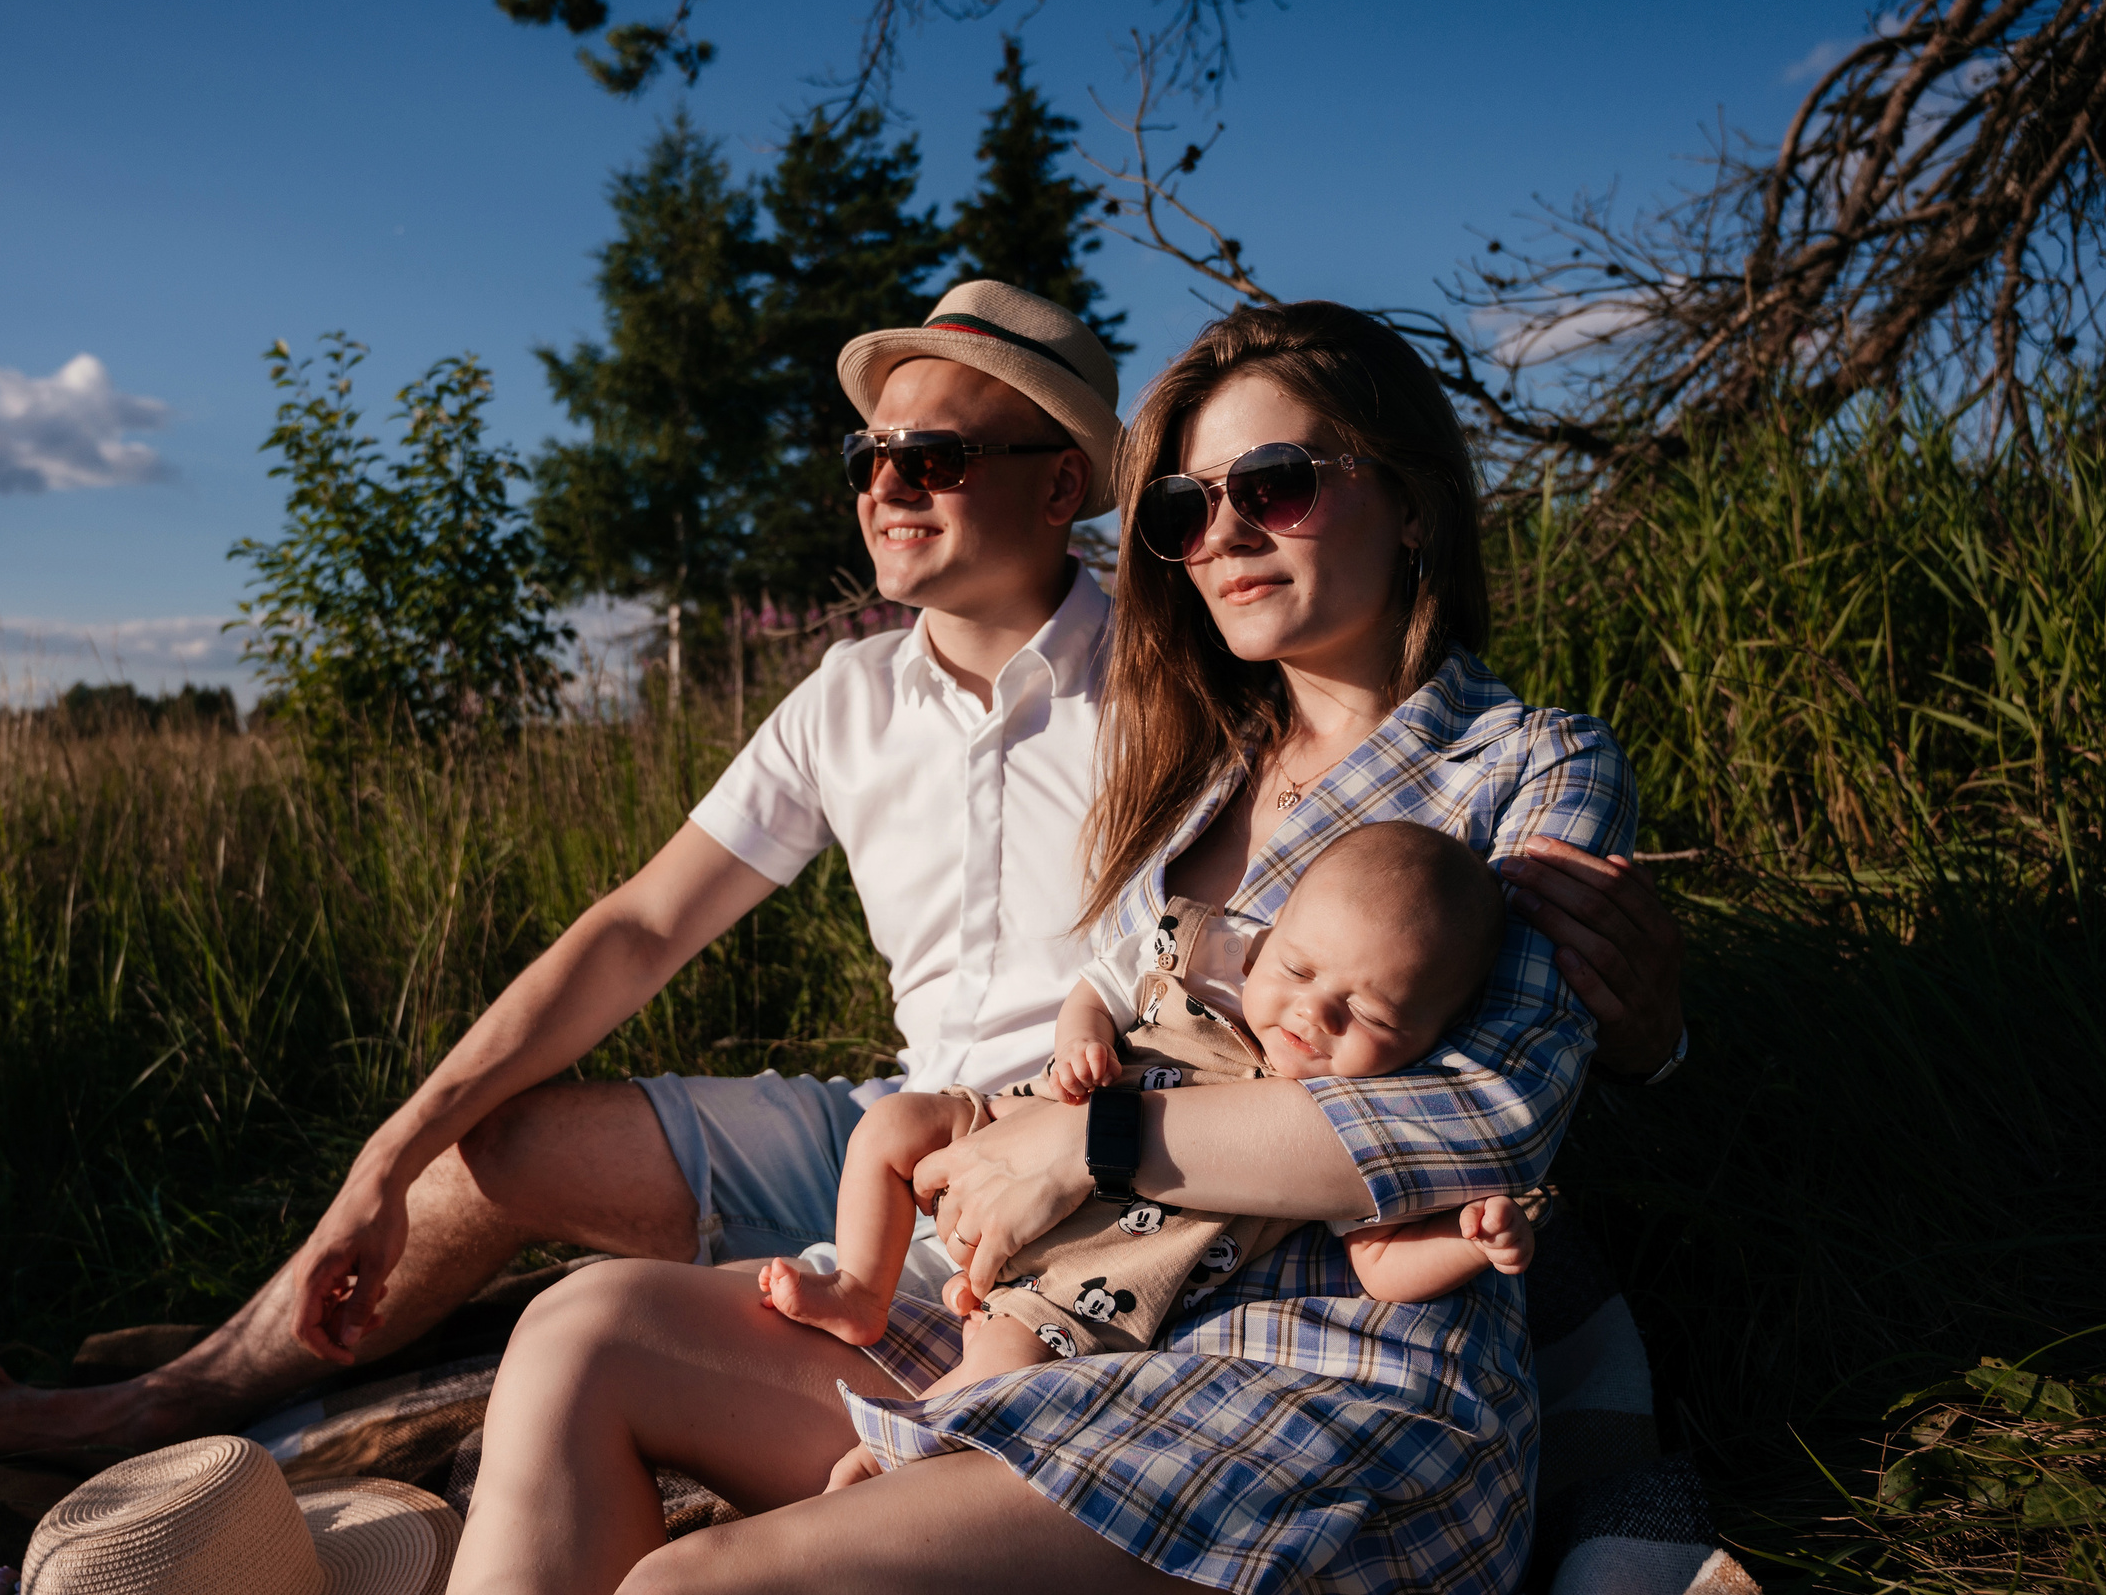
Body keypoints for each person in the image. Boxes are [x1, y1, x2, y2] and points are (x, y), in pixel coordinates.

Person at [0, 283, 1682, 1465]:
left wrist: (1649, 1018)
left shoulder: (1173, 670)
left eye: (935, 454)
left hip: (1115, 1144)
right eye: (868, 457)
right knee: (496, 1141)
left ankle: (288, 1396)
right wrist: (390, 1143)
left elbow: (1407, 848)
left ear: (1061, 481)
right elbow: (635, 926)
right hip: (896, 1131)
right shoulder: (849, 693)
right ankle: (196, 1389)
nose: (888, 486)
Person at [446, 301, 1644, 1595]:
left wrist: (1082, 1143)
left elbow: (1491, 1119)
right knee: (585, 1327)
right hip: (1078, 1311)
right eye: (1186, 510)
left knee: (697, 1585)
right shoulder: (1195, 763)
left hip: (1317, 1372)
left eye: (1277, 486)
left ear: (1411, 503)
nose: (1224, 533)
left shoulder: (1524, 765)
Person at [756, 822, 1537, 1409]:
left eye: (1370, 1015)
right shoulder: (1203, 959)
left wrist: (1466, 1241)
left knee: (1004, 1368)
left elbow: (1380, 1264)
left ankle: (907, 1443)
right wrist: (1081, 1042)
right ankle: (861, 1289)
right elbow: (1100, 985)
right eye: (1297, 968)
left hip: (1088, 1280)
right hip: (1014, 1137)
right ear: (1269, 935)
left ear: (1426, 1042)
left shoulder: (1346, 1116)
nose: (1312, 1013)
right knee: (892, 1124)